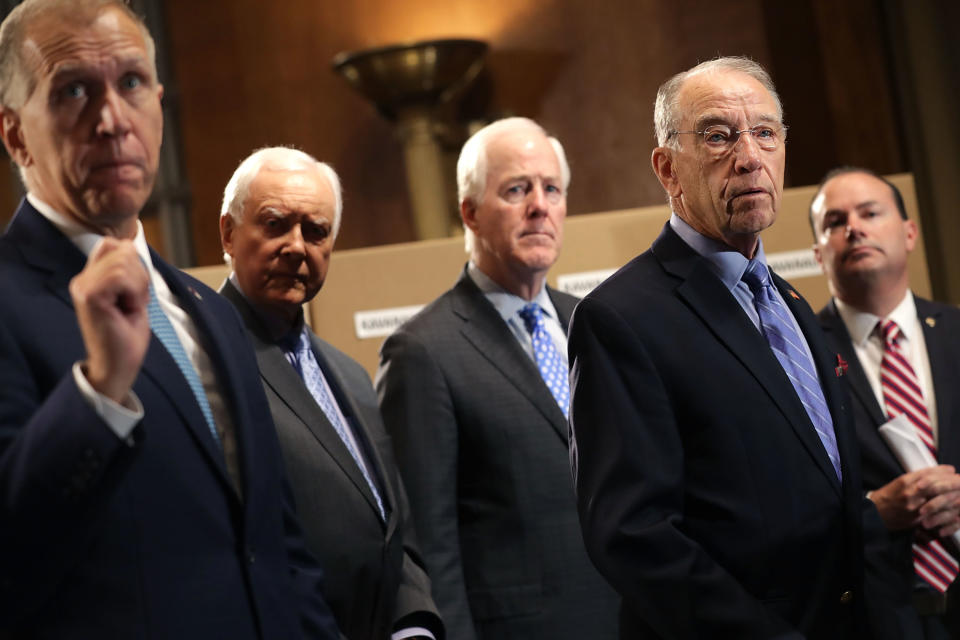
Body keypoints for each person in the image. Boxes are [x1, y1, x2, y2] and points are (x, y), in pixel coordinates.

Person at [0, 2, 338, 637]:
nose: (111, 120)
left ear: (158, 103)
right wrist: (98, 393)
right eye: (73, 90)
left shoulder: (210, 307)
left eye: (131, 84)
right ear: (16, 134)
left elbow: (278, 549)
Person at [566, 57, 890, 638]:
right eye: (718, 136)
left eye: (766, 133)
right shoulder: (619, 318)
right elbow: (634, 537)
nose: (749, 157)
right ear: (667, 169)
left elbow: (839, 496)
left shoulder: (790, 303)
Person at [375, 117, 619, 640]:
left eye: (551, 188)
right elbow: (429, 550)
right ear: (469, 212)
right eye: (516, 189)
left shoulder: (595, 326)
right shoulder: (422, 352)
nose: (539, 205)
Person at [218, 146, 444, 640]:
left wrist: (414, 626)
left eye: (315, 231)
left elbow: (392, 526)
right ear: (228, 234)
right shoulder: (207, 361)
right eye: (275, 223)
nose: (297, 246)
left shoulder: (348, 373)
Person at [811, 167, 960, 638]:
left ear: (910, 232)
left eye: (870, 213)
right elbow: (785, 506)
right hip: (869, 615)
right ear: (818, 253)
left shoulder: (958, 333)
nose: (854, 227)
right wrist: (872, 510)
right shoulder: (799, 359)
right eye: (835, 222)